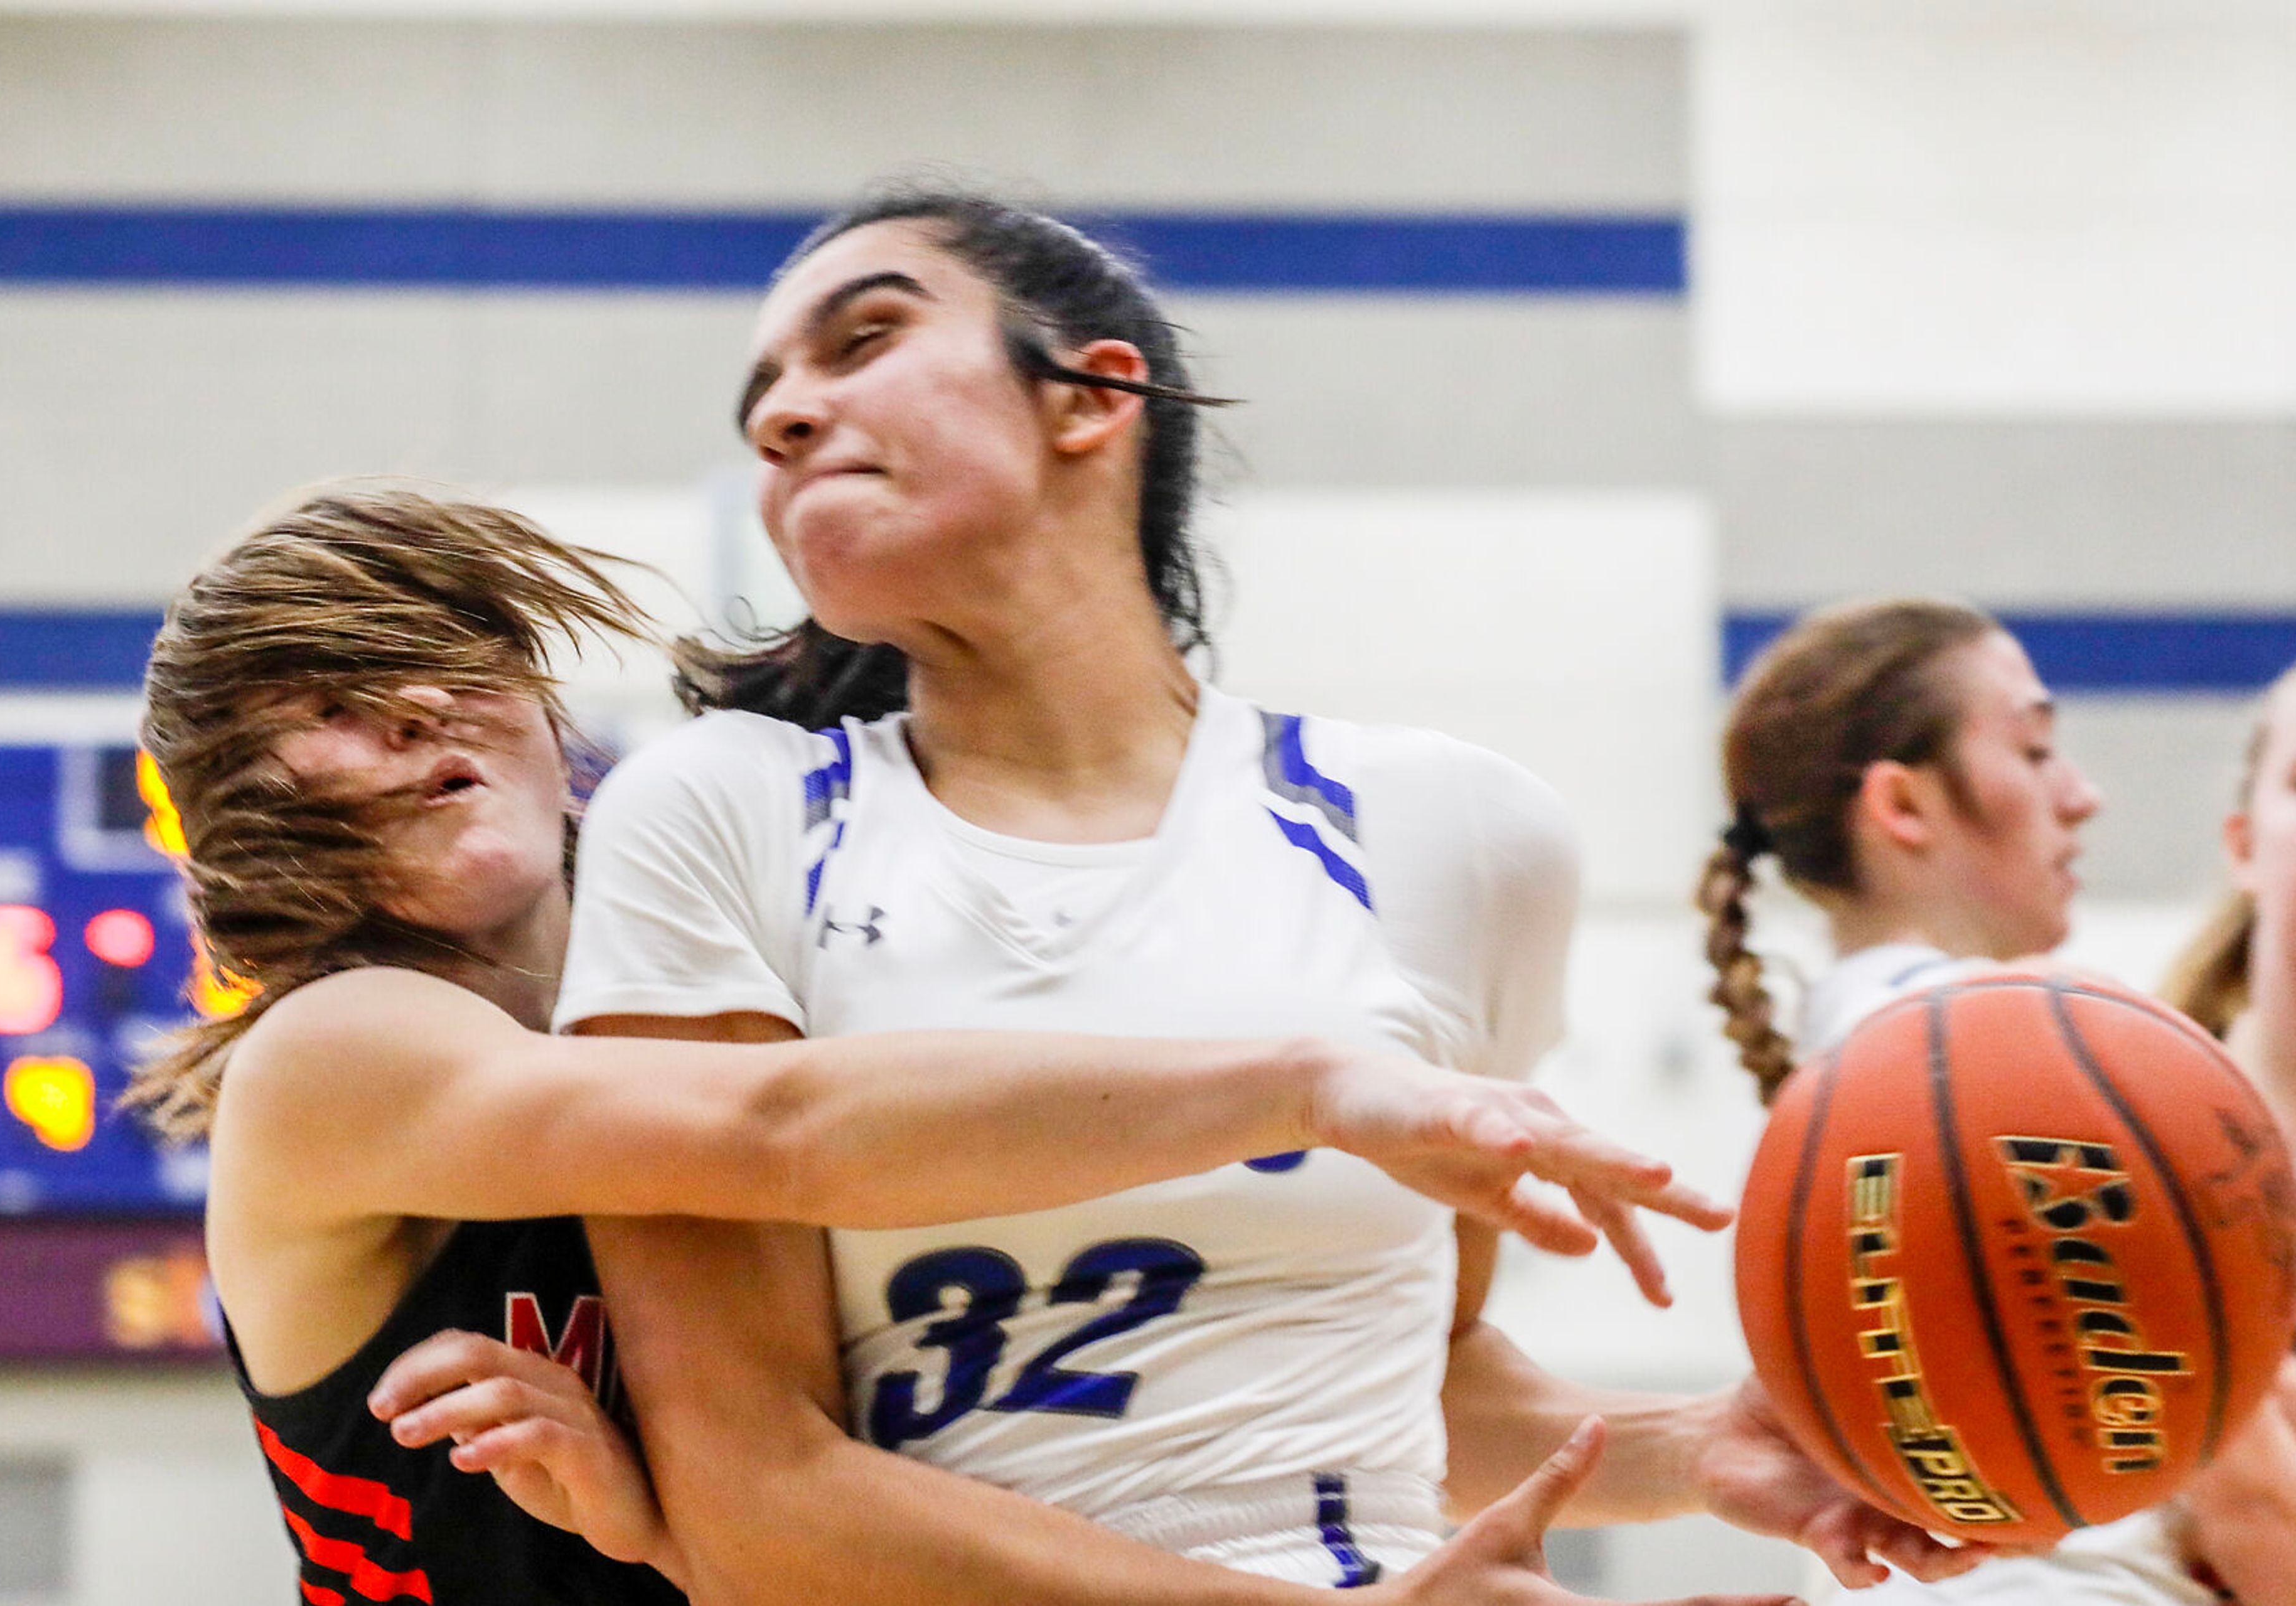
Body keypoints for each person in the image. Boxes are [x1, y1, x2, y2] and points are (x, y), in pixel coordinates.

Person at [553, 183, 1988, 1605]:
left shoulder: (1458, 833)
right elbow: (751, 1506)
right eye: (766, 394)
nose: (782, 416)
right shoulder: (714, 810)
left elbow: (1409, 1372)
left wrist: (1700, 1447)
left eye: (861, 341)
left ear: (1091, 398)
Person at [137, 483, 1756, 1606]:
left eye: (443, 653)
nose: (417, 708)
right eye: (331, 700)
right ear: (236, 815)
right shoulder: (340, 1050)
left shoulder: (767, 989)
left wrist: (1720, 1449)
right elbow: (773, 1129)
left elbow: (810, 1536)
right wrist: (1313, 1083)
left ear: (554, 717)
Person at [1698, 599, 2296, 1602]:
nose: (2082, 797)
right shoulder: (1976, 1064)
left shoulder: (1869, 1053)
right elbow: (2245, 1480)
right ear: (1903, 809)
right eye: (2035, 751)